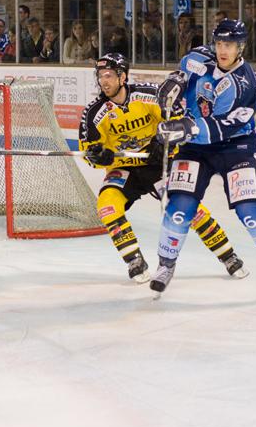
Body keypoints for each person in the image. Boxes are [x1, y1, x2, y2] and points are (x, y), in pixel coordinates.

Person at [153, 19, 256, 301]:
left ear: (241, 47)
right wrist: (172, 86)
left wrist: (184, 128)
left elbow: (220, 127)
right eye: (219, 43)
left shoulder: (245, 85)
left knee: (250, 211)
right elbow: (182, 79)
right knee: (180, 207)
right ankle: (165, 265)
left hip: (235, 147)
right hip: (195, 147)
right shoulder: (195, 58)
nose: (222, 49)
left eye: (229, 44)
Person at [79, 53, 247, 283]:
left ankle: (228, 256)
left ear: (123, 76)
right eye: (100, 76)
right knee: (107, 206)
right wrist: (100, 157)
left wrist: (164, 142)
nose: (103, 81)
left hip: (159, 165)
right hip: (125, 169)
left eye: (108, 75)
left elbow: (179, 122)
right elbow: (89, 154)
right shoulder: (93, 113)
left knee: (189, 210)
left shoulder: (149, 96)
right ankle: (134, 260)